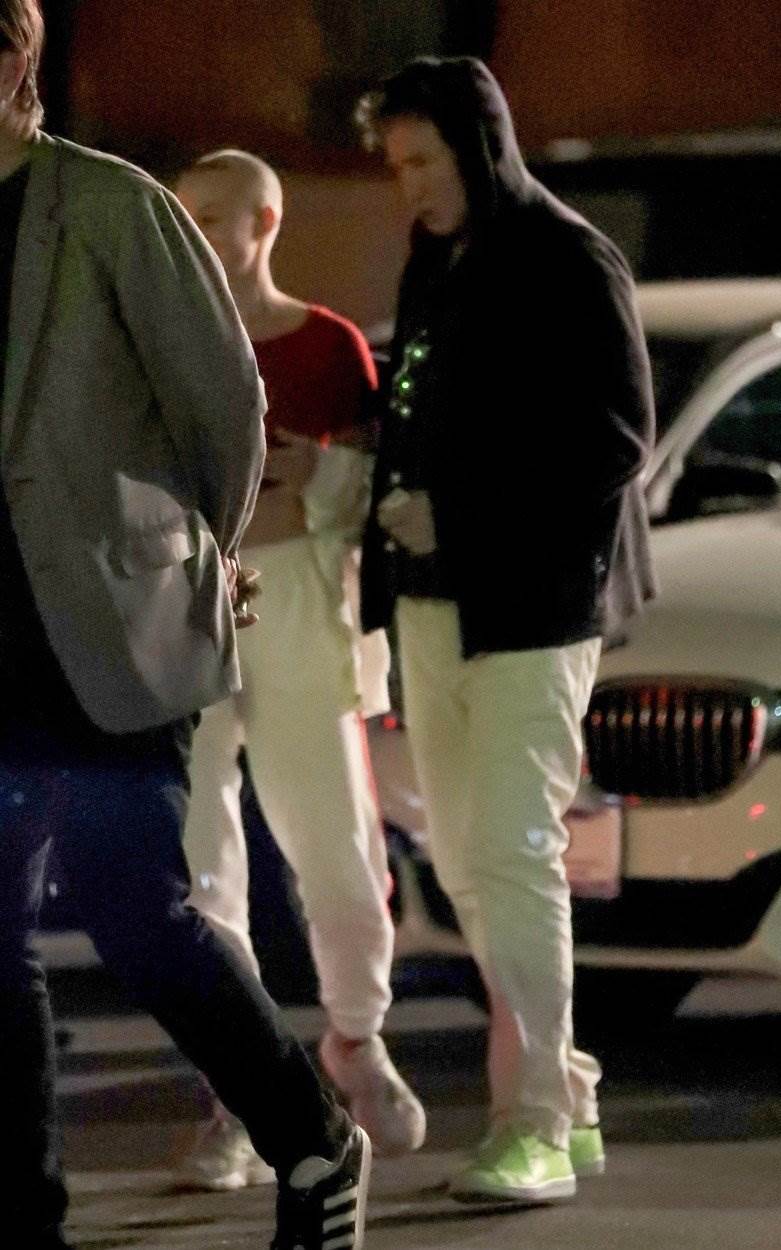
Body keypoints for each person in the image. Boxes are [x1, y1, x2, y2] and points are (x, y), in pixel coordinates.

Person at [0, 5, 370, 1248]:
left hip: (106, 627)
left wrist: (188, 561)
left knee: (138, 911)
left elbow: (221, 406)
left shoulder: (110, 205)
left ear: (15, 58)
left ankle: (310, 1133)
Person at [356, 55, 657, 1204]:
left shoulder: (565, 255)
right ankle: (559, 1092)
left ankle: (533, 1117)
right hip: (438, 600)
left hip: (532, 604)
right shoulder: (440, 256)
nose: (409, 185)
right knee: (469, 858)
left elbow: (616, 437)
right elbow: (416, 412)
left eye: (423, 160)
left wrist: (457, 510)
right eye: (395, 165)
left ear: (479, 146)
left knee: (510, 852)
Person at [172, 149, 425, 1188]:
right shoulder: (165, 338)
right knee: (200, 856)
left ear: (264, 222)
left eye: (212, 216)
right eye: (184, 215)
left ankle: (356, 1039)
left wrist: (313, 476)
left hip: (299, 610)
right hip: (186, 605)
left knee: (335, 838)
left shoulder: (325, 344)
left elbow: (367, 487)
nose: (193, 233)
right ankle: (233, 1089)